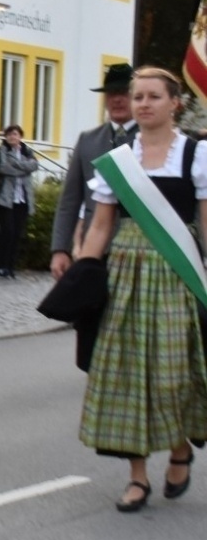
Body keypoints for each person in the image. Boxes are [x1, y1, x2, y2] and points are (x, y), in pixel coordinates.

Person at [73, 67, 206, 511]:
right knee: (126, 377)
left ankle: (180, 446)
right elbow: (101, 225)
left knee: (173, 374)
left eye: (153, 96)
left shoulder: (196, 155)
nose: (143, 104)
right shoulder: (117, 160)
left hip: (176, 273)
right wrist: (85, 271)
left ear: (175, 104)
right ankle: (136, 476)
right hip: (126, 273)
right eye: (137, 97)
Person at [50, 63, 135, 279]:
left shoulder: (151, 140)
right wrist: (60, 248)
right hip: (94, 247)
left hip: (138, 249)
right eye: (111, 93)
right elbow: (70, 200)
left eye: (124, 93)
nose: (117, 99)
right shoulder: (88, 140)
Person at [0, 124, 37, 278]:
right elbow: (3, 168)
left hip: (22, 199)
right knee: (7, 233)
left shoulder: (27, 150)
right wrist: (24, 169)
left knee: (17, 234)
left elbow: (34, 165)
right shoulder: (1, 150)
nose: (12, 137)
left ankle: (11, 267)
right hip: (5, 199)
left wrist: (17, 165)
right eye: (9, 134)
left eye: (15, 134)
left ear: (20, 136)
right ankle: (1, 266)